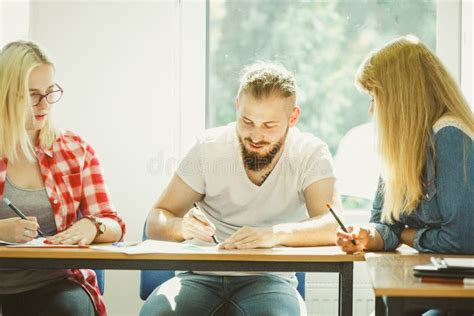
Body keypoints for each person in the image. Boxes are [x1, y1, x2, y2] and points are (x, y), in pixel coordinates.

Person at [141, 61, 342, 316]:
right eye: (247, 121)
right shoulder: (208, 147)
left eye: (269, 126)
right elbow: (156, 220)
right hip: (198, 276)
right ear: (237, 106)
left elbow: (334, 226)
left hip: (270, 279)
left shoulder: (310, 153)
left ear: (293, 118)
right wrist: (181, 226)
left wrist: (274, 234)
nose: (256, 136)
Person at [336, 35, 473, 313]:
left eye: (375, 98)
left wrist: (405, 235)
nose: (371, 110)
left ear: (401, 98)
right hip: (431, 283)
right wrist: (368, 235)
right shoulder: (405, 147)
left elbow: (460, 240)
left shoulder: (450, 137)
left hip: (460, 291)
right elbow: (385, 223)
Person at [0, 40, 126, 316]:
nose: (44, 104)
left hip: (55, 283)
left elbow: (114, 224)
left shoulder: (75, 150)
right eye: (32, 94)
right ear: (7, 94)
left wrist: (94, 227)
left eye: (49, 92)